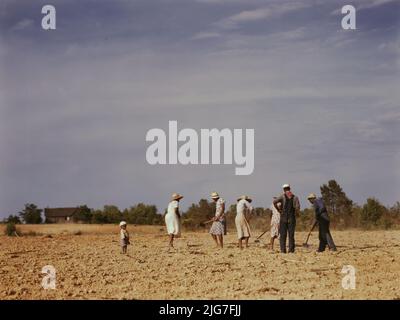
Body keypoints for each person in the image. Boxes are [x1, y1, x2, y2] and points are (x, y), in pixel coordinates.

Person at [273, 184, 300, 253]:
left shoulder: (282, 196)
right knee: (291, 235)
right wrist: (296, 215)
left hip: (283, 218)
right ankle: (291, 250)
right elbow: (297, 208)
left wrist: (279, 210)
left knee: (283, 235)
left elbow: (274, 202)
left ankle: (283, 250)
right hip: (291, 218)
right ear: (289, 188)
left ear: (284, 189)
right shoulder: (295, 197)